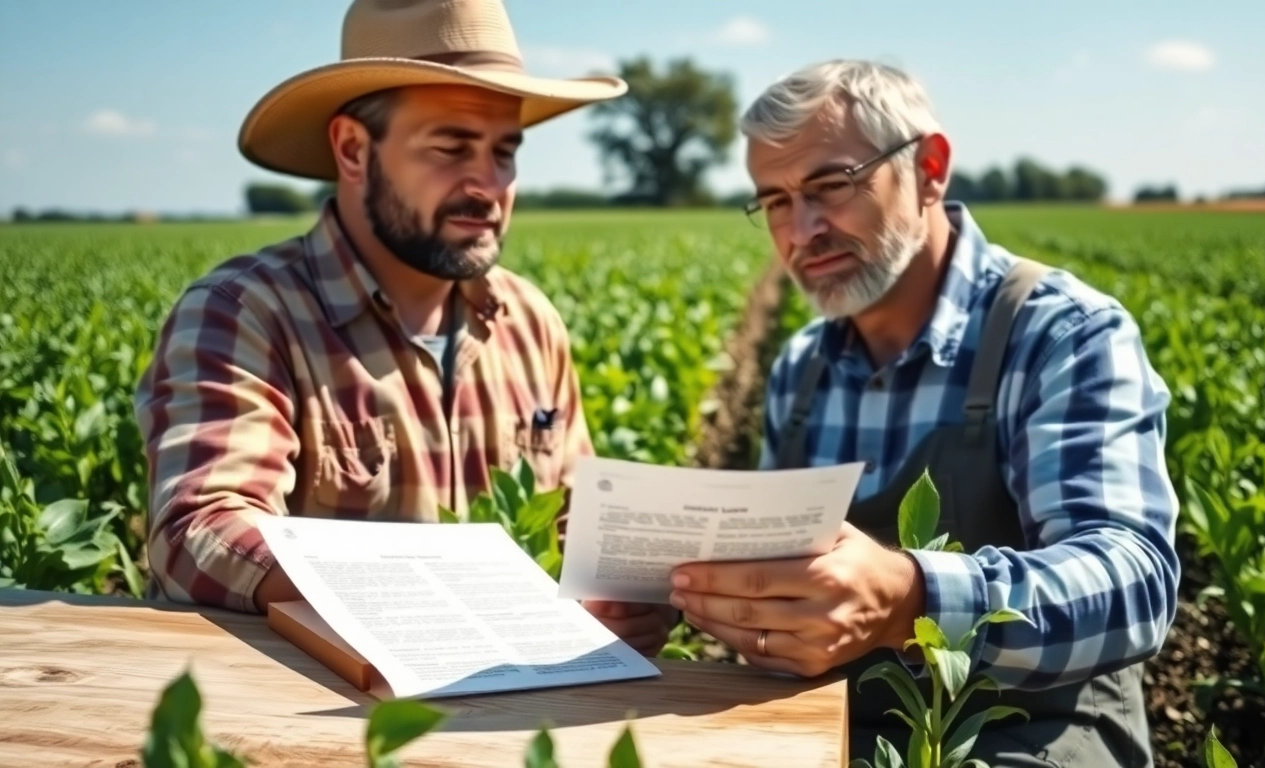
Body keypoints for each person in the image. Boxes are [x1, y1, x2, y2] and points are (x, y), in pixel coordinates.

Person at [667, 59, 1180, 766]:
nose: (800, 231)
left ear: (930, 168)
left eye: (830, 186)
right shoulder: (800, 371)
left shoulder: (1060, 335)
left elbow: (1135, 583)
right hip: (835, 733)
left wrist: (913, 601)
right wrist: (688, 598)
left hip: (1032, 737)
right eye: (776, 201)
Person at [134, 0, 676, 656]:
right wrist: (443, 603)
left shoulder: (530, 322)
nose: (488, 185)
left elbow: (576, 524)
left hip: (529, 718)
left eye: (504, 153)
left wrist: (621, 594)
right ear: (353, 149)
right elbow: (204, 534)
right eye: (452, 148)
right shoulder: (246, 314)